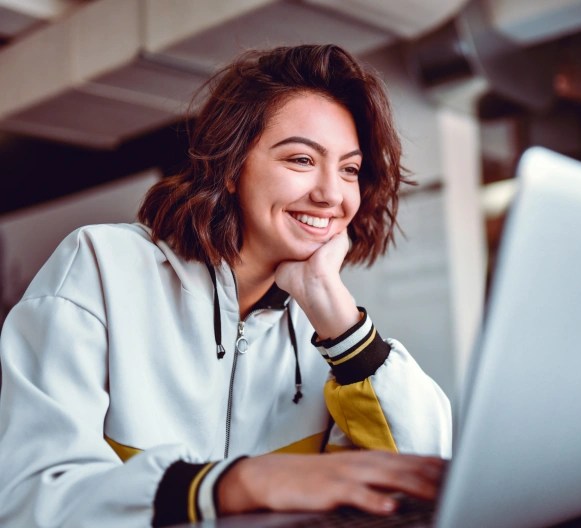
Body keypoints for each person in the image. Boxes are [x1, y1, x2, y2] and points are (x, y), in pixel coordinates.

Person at [0, 44, 452, 527]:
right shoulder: (101, 266)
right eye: (301, 159)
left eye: (349, 169)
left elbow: (421, 479)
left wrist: (333, 310)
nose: (330, 194)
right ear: (232, 166)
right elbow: (28, 498)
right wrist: (233, 484)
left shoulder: (327, 327)